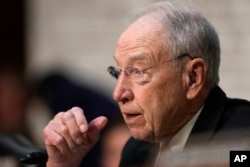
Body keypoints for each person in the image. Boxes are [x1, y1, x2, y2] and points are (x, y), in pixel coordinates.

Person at [42, 1, 250, 167]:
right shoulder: (136, 151)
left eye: (138, 71)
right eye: (118, 72)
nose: (118, 93)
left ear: (193, 78)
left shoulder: (242, 137)